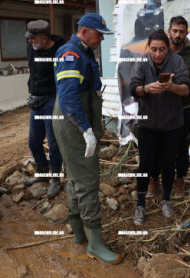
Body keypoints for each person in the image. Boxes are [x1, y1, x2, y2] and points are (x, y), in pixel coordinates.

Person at [52, 13, 123, 264]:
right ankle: (95, 244)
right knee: (88, 180)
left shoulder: (82, 50)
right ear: (84, 32)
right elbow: (70, 97)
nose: (102, 38)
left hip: (76, 119)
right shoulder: (70, 53)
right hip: (73, 122)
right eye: (98, 33)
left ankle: (79, 233)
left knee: (76, 177)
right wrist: (86, 130)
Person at [128, 29, 190, 225]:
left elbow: (186, 88)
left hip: (172, 124)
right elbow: (133, 88)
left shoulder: (176, 61)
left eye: (162, 49)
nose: (157, 54)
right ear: (149, 47)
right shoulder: (142, 62)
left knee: (168, 163)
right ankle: (140, 205)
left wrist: (171, 86)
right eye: (153, 49)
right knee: (145, 164)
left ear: (168, 48)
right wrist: (146, 89)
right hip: (147, 123)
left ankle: (166, 199)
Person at [146, 16, 190, 198]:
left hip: (184, 110)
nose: (178, 34)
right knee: (155, 148)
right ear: (169, 31)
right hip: (160, 111)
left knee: (181, 149)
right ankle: (153, 180)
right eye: (175, 30)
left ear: (186, 32)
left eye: (181, 31)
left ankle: (179, 180)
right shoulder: (160, 52)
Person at [25, 20, 65, 198]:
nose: (29, 41)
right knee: (34, 142)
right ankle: (42, 174)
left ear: (43, 38)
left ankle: (56, 179)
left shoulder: (60, 50)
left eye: (33, 38)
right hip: (36, 101)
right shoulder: (32, 48)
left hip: (52, 100)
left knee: (54, 142)